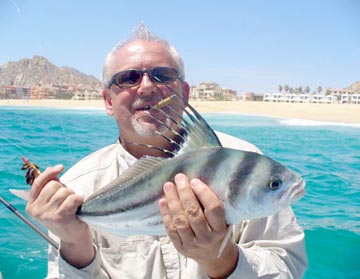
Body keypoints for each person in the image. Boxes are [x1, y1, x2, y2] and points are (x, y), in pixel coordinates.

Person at [26, 24, 307, 279]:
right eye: (128, 78)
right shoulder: (78, 188)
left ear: (184, 93)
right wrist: (75, 243)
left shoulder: (246, 165)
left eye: (162, 75)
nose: (147, 87)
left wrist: (222, 261)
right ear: (108, 101)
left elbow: (287, 266)